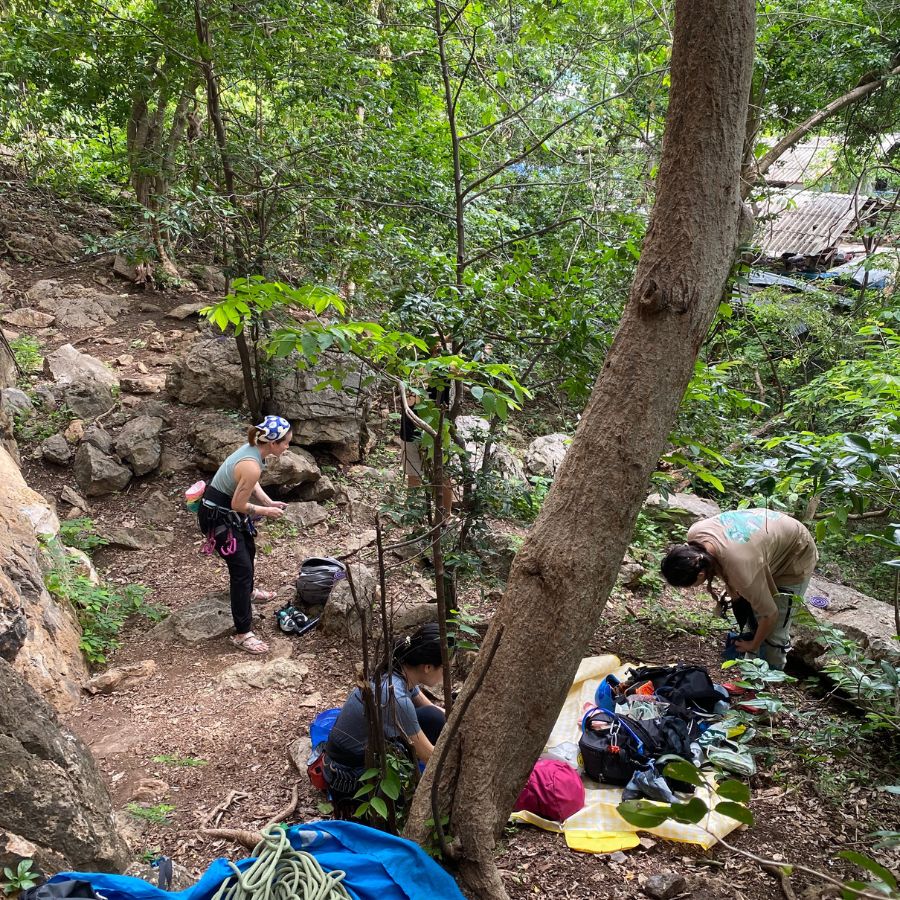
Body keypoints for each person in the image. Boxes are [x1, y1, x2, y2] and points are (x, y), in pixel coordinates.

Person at [660, 509, 818, 670]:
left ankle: (772, 675)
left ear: (701, 575)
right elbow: (724, 559)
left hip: (794, 554)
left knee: (774, 630)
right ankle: (752, 668)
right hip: (765, 543)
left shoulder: (741, 569)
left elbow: (770, 614)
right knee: (754, 612)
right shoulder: (695, 535)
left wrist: (752, 644)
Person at [323, 623, 447, 807]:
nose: (446, 675)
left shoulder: (398, 668)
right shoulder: (396, 697)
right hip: (348, 778)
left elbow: (433, 711)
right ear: (427, 667)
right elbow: (430, 757)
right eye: (444, 669)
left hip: (353, 757)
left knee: (433, 717)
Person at [198, 415, 292, 655]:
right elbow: (239, 503)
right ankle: (242, 633)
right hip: (218, 516)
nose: (287, 447)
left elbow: (249, 483)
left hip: (224, 512)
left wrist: (267, 499)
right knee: (240, 569)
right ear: (272, 444)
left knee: (248, 549)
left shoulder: (253, 451)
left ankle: (248, 592)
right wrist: (266, 511)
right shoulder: (250, 464)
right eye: (285, 443)